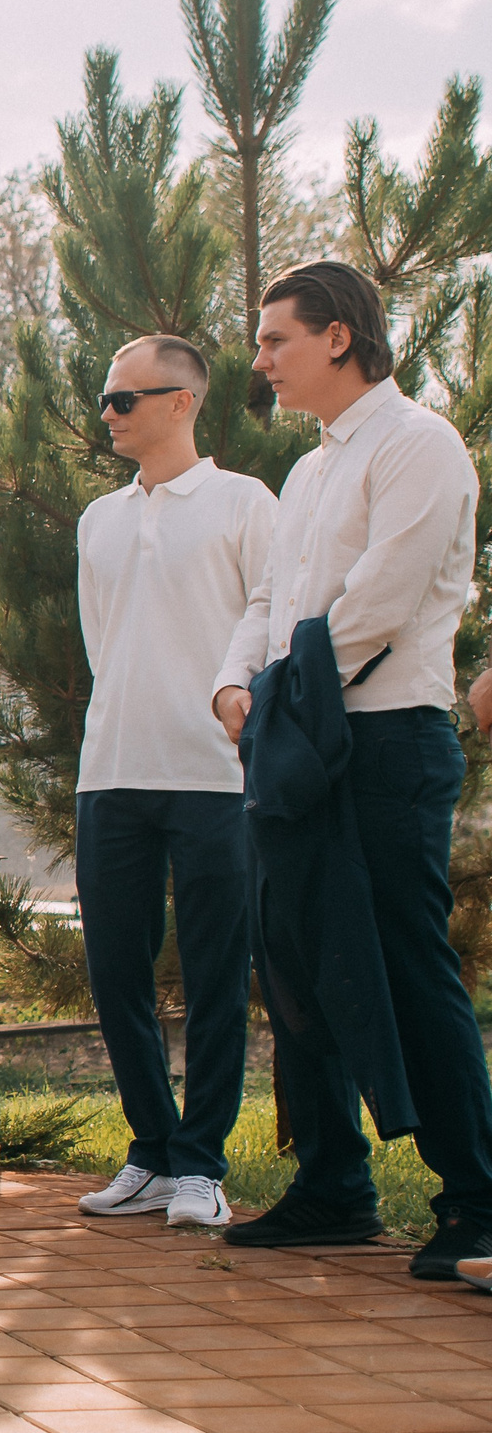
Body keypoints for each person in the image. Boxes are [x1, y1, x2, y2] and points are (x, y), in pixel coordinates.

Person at [211, 260, 492, 1279]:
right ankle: (332, 1185)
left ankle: (477, 1199)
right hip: (293, 731)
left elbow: (379, 599)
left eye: (274, 338)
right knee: (292, 967)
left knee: (407, 968)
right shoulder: (307, 470)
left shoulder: (419, 445)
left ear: (338, 335)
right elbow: (271, 598)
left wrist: (280, 689)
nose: (261, 361)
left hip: (383, 744)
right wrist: (233, 685)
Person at [72, 336, 275, 1230]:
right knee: (115, 968)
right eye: (105, 399)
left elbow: (269, 618)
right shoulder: (97, 520)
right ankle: (152, 1152)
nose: (107, 414)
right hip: (110, 771)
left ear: (183, 401)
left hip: (214, 775)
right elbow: (99, 640)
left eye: (123, 400)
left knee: (214, 972)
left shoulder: (244, 502)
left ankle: (202, 1163)